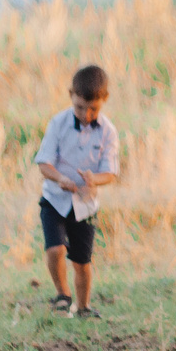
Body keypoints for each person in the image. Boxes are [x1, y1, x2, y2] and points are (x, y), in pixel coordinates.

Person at [36, 64, 121, 318]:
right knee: (55, 249)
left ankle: (83, 307)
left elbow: (111, 172)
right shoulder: (58, 123)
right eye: (80, 107)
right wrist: (60, 178)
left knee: (82, 262)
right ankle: (63, 295)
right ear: (71, 95)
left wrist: (94, 179)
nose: (86, 114)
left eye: (93, 108)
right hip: (55, 199)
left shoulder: (108, 132)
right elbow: (44, 163)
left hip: (85, 206)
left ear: (104, 100)